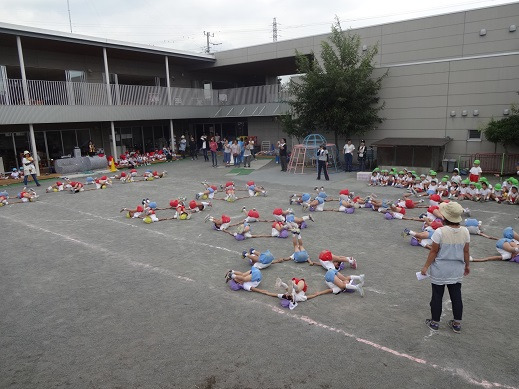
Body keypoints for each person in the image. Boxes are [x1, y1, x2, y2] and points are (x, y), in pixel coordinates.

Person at [421, 201, 470, 333]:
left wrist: (425, 267)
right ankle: (457, 324)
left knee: (437, 295)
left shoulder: (440, 232)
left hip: (440, 269)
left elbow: (433, 252)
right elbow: (466, 251)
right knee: (456, 296)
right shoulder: (465, 231)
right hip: (456, 269)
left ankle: (435, 322)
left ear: (445, 216)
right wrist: (467, 266)